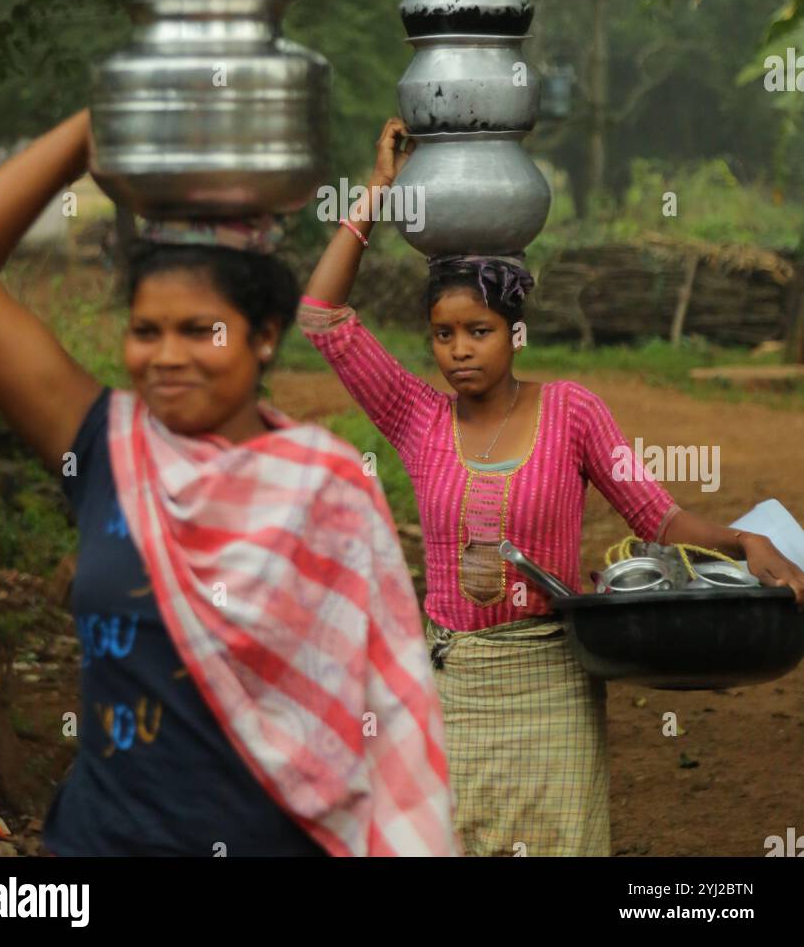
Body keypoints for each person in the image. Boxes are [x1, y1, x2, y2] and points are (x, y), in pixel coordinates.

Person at [0, 111, 457, 858]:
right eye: (146, 331)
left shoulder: (325, 485)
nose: (167, 357)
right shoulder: (109, 448)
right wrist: (96, 128)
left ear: (265, 334)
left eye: (199, 331)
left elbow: (389, 711)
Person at [298, 116, 804, 858]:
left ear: (515, 332)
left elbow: (655, 516)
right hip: (455, 690)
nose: (460, 351)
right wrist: (378, 190)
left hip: (553, 683)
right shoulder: (416, 417)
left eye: (480, 330)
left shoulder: (574, 413)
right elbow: (321, 316)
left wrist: (742, 539)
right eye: (444, 334)